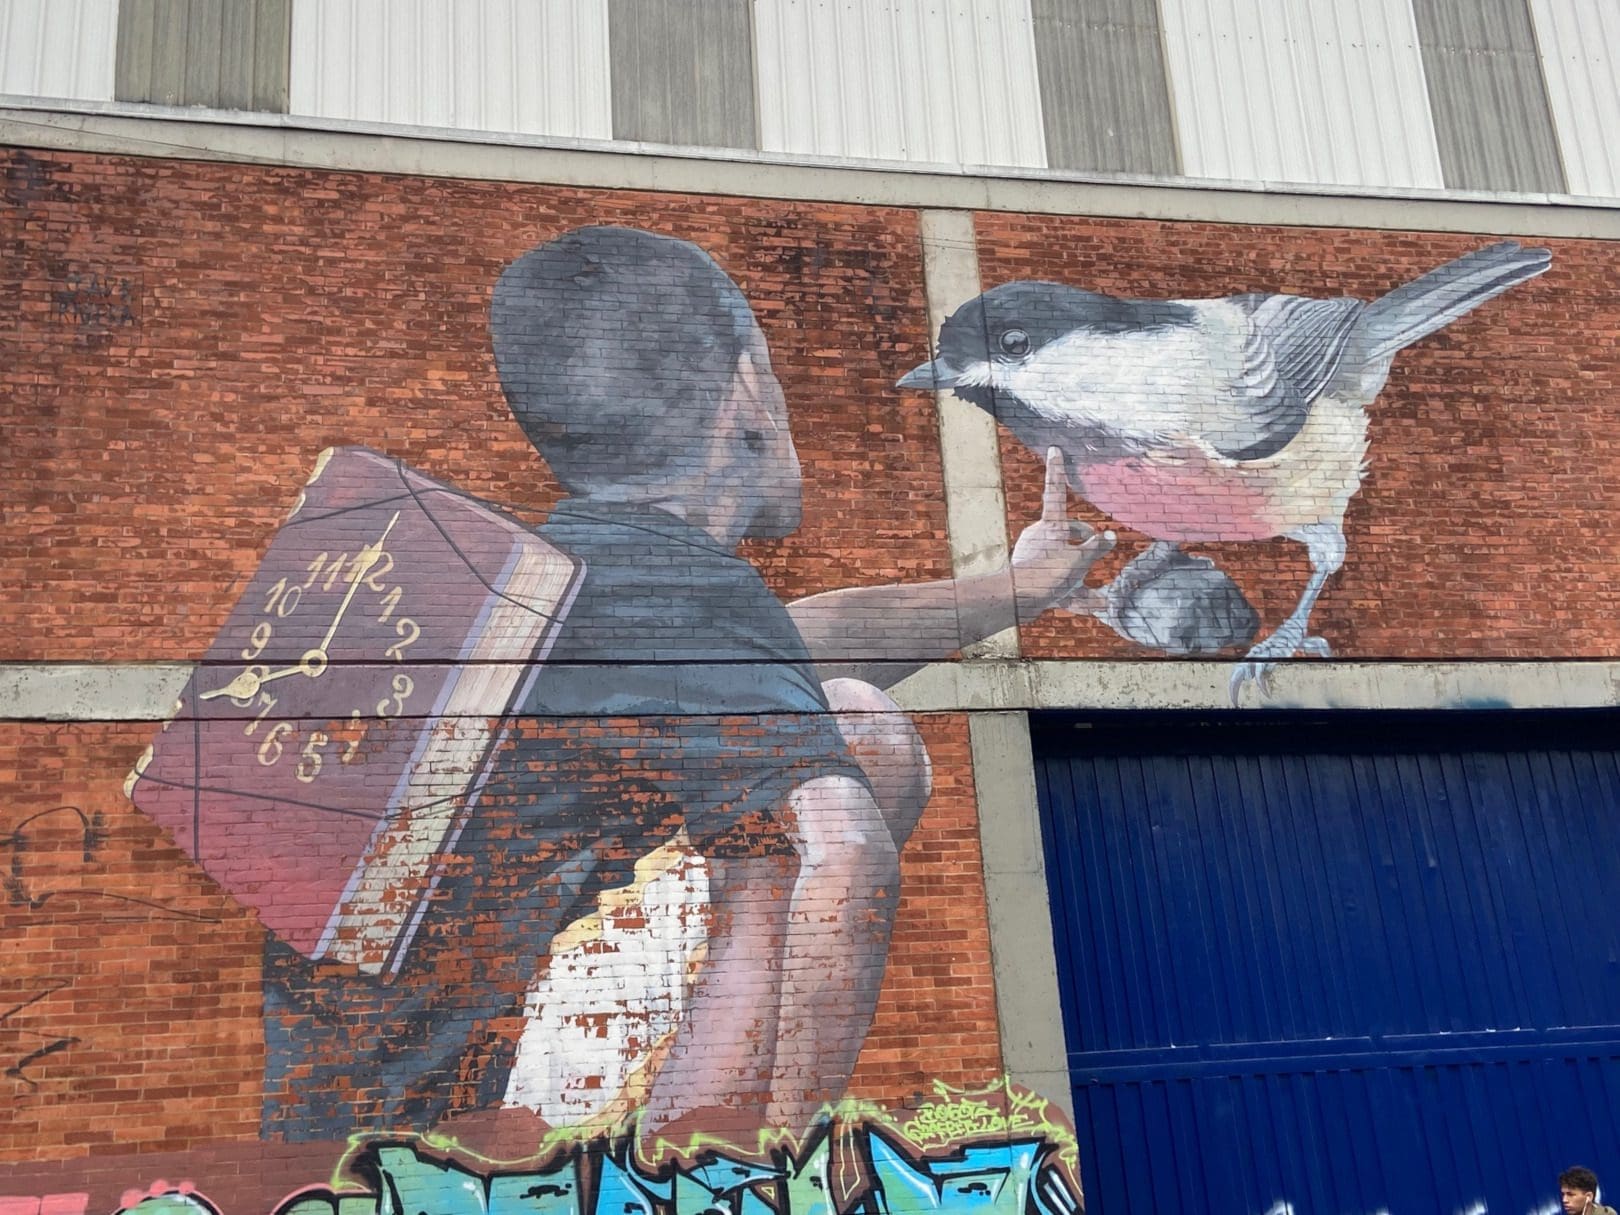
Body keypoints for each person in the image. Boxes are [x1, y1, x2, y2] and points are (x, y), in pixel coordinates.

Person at [261, 226, 1112, 1144]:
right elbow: (849, 851)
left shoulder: (569, 581)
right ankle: (714, 1171)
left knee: (804, 729)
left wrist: (1020, 588)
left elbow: (786, 647)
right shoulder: (679, 590)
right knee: (861, 737)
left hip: (344, 1142)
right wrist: (789, 1168)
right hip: (482, 1143)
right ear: (747, 393)